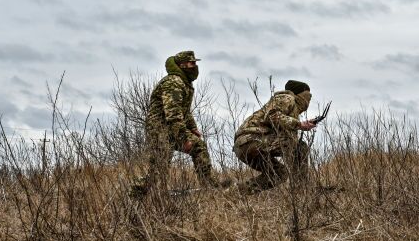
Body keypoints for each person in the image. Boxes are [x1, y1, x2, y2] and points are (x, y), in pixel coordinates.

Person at [130, 50, 215, 198]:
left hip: (171, 129)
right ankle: (135, 196)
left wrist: (193, 128)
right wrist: (183, 138)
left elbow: (184, 111)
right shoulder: (174, 83)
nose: (195, 66)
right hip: (160, 131)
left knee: (199, 146)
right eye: (192, 63)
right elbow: (174, 114)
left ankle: (209, 187)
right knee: (158, 170)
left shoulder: (183, 83)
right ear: (182, 65)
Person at [233, 80, 317, 193]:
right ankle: (301, 190)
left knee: (279, 174)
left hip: (244, 146)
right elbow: (272, 116)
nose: (309, 100)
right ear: (301, 95)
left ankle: (234, 192)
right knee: (300, 146)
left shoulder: (290, 109)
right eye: (308, 96)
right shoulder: (287, 97)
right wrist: (299, 125)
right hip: (252, 140)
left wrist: (299, 124)